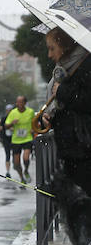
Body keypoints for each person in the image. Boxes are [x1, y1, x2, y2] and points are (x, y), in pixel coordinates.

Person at [37, 26, 91, 195]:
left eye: (52, 48)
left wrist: (61, 92)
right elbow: (67, 110)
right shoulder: (65, 70)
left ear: (65, 45)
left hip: (83, 151)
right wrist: (48, 118)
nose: (50, 55)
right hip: (72, 152)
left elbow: (85, 101)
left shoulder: (85, 64)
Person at [5, 95, 35, 185]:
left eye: (20, 102)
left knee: (26, 158)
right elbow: (6, 126)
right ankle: (22, 177)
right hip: (16, 140)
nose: (18, 104)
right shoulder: (13, 113)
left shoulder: (30, 112)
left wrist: (33, 129)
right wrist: (11, 123)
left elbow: (35, 122)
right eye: (17, 102)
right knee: (16, 163)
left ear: (25, 103)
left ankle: (26, 170)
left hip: (27, 138)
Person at [1, 103, 14, 178]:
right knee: (7, 154)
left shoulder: (15, 118)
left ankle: (15, 164)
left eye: (10, 110)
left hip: (15, 139)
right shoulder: (4, 118)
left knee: (15, 154)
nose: (9, 112)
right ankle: (8, 171)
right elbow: (1, 128)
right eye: (8, 110)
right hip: (6, 139)